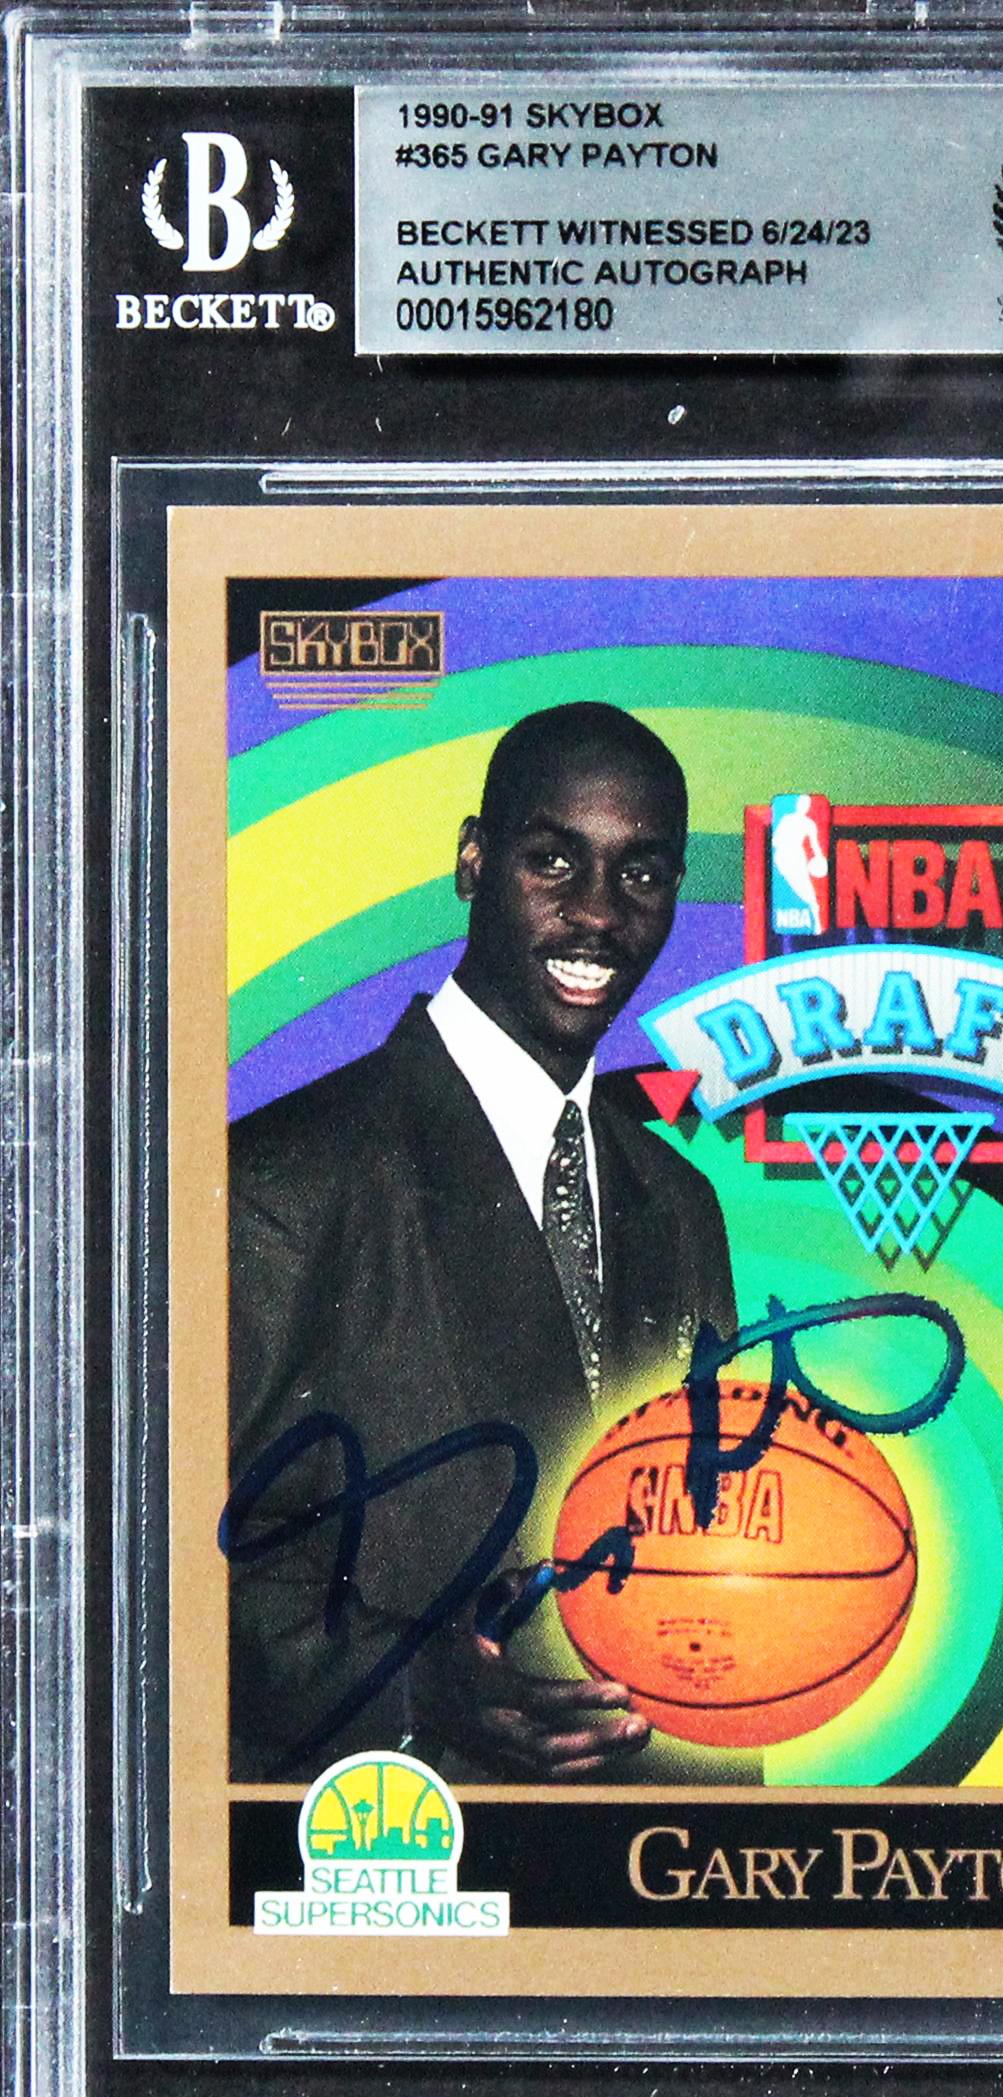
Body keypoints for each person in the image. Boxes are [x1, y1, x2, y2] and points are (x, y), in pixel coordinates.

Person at [227, 702, 736, 1784]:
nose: (597, 914)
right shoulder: (284, 1180)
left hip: (646, 1843)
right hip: (405, 1830)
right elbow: (170, 1566)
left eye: (642, 875)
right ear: (472, 860)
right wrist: (418, 1684)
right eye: (554, 861)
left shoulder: (681, 1202)